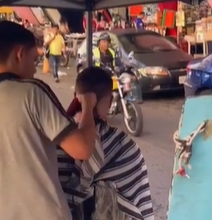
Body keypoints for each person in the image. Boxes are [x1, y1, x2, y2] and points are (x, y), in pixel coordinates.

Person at [0, 21, 98, 220]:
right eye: (34, 59)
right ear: (19, 54)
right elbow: (82, 149)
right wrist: (88, 105)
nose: (35, 69)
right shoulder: (32, 91)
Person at [62, 67, 154, 220]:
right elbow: (141, 203)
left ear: (75, 97)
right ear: (110, 101)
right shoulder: (125, 146)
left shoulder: (58, 140)